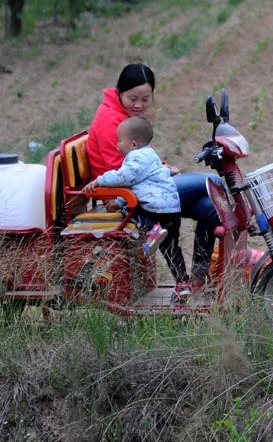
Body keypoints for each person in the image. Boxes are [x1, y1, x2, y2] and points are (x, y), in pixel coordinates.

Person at [87, 63, 220, 284]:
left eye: (145, 99)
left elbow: (139, 160)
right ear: (119, 92)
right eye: (133, 98)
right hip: (125, 194)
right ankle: (232, 194)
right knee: (210, 182)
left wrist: (162, 167)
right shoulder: (110, 120)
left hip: (143, 186)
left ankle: (198, 275)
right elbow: (121, 171)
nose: (139, 105)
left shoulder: (124, 114)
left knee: (210, 209)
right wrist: (160, 171)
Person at [83, 116, 191, 298]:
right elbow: (136, 186)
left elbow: (125, 178)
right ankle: (182, 283)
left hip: (155, 209)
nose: (117, 145)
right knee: (171, 248)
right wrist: (118, 200)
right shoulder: (150, 155)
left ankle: (152, 229)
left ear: (133, 144)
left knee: (128, 210)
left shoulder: (136, 157)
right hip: (171, 208)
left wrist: (99, 181)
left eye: (119, 140)